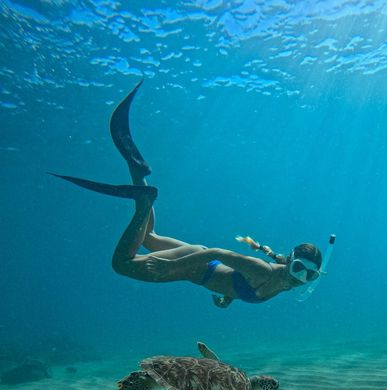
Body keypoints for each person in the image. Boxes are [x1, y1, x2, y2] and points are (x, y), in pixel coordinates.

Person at [50, 81, 325, 309]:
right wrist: (172, 267)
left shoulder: (287, 282)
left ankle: (139, 173)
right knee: (121, 265)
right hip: (197, 265)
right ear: (290, 260)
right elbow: (218, 252)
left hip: (202, 263)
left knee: (148, 237)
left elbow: (238, 280)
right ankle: (144, 202)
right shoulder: (263, 271)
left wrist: (229, 297)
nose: (302, 277)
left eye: (309, 274)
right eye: (299, 267)